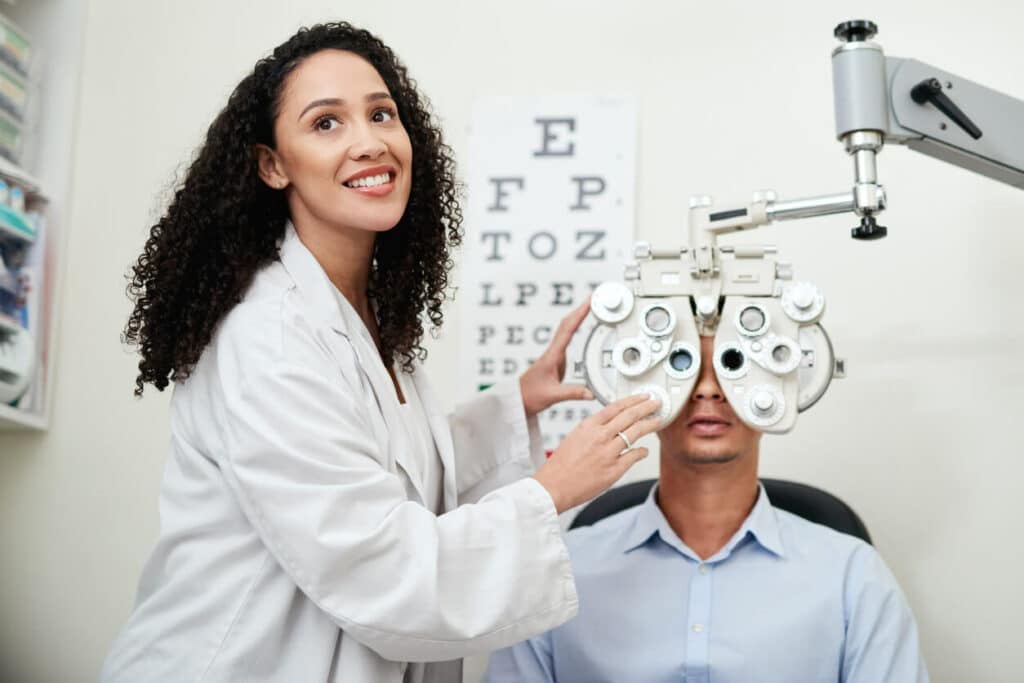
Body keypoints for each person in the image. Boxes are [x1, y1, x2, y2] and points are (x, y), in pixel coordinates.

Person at [103, 22, 661, 683]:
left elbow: (380, 474)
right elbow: (383, 568)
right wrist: (552, 488)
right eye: (326, 123)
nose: (369, 142)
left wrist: (517, 402)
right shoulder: (269, 338)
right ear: (271, 163)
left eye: (380, 113)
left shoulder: (363, 317)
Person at [486, 336, 930, 683]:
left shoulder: (851, 576)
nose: (708, 389)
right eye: (682, 369)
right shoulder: (558, 568)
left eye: (734, 367)